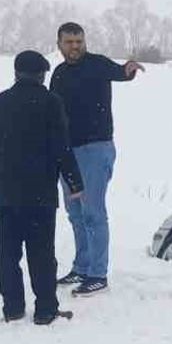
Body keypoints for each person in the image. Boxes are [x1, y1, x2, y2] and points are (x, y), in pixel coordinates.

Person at [0, 50, 85, 324]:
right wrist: (74, 182)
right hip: (40, 193)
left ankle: (12, 307)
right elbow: (62, 147)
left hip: (5, 192)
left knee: (8, 254)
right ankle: (45, 309)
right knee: (42, 253)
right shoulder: (51, 102)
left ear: (16, 72)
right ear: (42, 74)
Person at [49, 22, 144, 296]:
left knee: (93, 212)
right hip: (68, 152)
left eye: (79, 41)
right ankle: (82, 266)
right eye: (69, 42)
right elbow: (54, 111)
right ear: (59, 45)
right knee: (75, 213)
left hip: (95, 148)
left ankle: (98, 274)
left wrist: (129, 70)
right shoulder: (59, 73)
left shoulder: (97, 64)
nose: (75, 46)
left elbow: (120, 73)